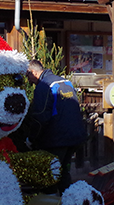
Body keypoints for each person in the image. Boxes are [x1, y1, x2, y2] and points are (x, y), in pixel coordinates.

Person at [25, 59, 88, 193]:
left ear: (33, 72)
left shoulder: (43, 86)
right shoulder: (65, 82)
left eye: (27, 75)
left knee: (51, 175)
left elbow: (40, 117)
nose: (28, 80)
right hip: (74, 136)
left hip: (56, 139)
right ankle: (70, 204)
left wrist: (31, 139)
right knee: (64, 172)